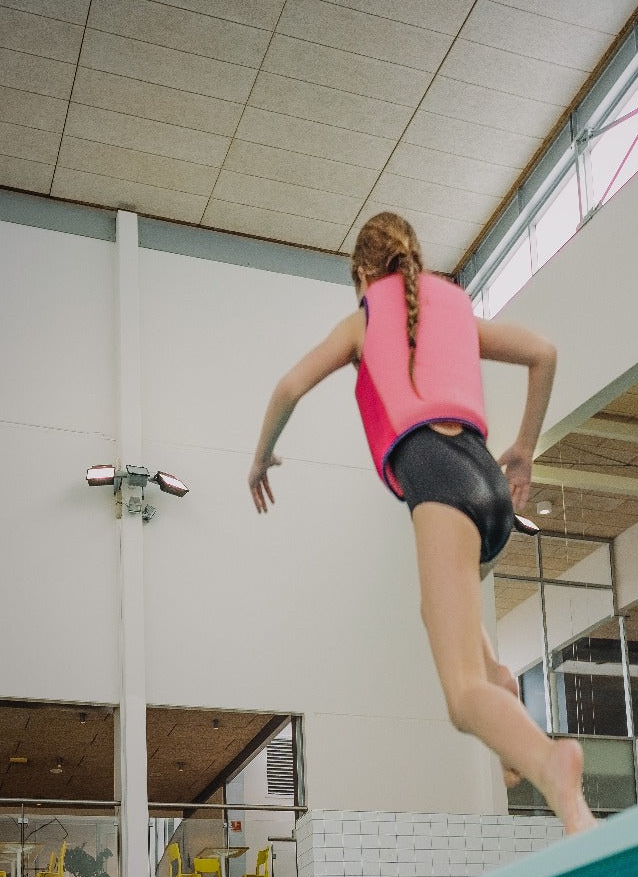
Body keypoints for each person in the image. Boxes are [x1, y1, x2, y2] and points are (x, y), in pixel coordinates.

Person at [249, 212, 597, 836]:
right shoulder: (455, 310)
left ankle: (554, 766)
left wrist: (260, 457)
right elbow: (543, 353)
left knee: (460, 699)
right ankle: (500, 680)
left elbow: (287, 387)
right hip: (489, 487)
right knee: (439, 614)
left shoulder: (362, 322)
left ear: (362, 274)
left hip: (440, 483)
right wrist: (524, 448)